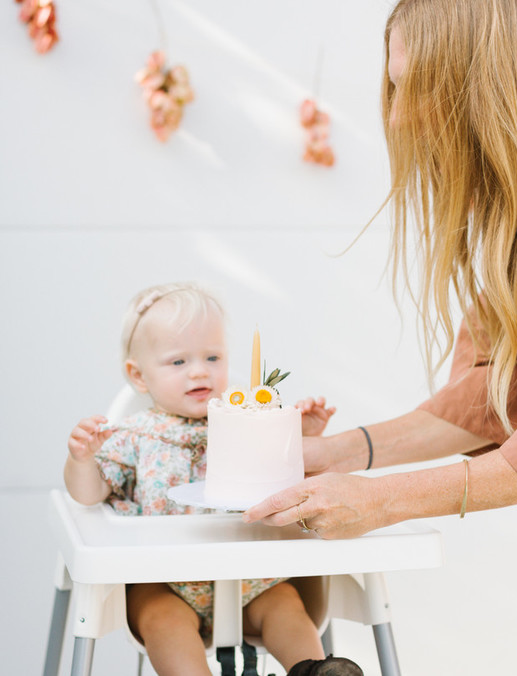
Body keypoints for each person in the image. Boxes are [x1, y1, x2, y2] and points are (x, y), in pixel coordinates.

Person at [243, 0, 517, 539]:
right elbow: (498, 391)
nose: (395, 115)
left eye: (415, 88)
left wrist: (385, 502)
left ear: (492, 86)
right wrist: (336, 456)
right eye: (393, 87)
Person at [64, 282, 363, 676]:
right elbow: (89, 496)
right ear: (138, 376)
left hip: (249, 578)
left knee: (284, 603)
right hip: (163, 580)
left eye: (212, 356)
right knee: (161, 619)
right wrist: (82, 459)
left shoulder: (245, 423)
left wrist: (300, 436)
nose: (200, 370)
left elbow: (283, 476)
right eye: (178, 362)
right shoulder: (132, 435)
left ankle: (311, 670)